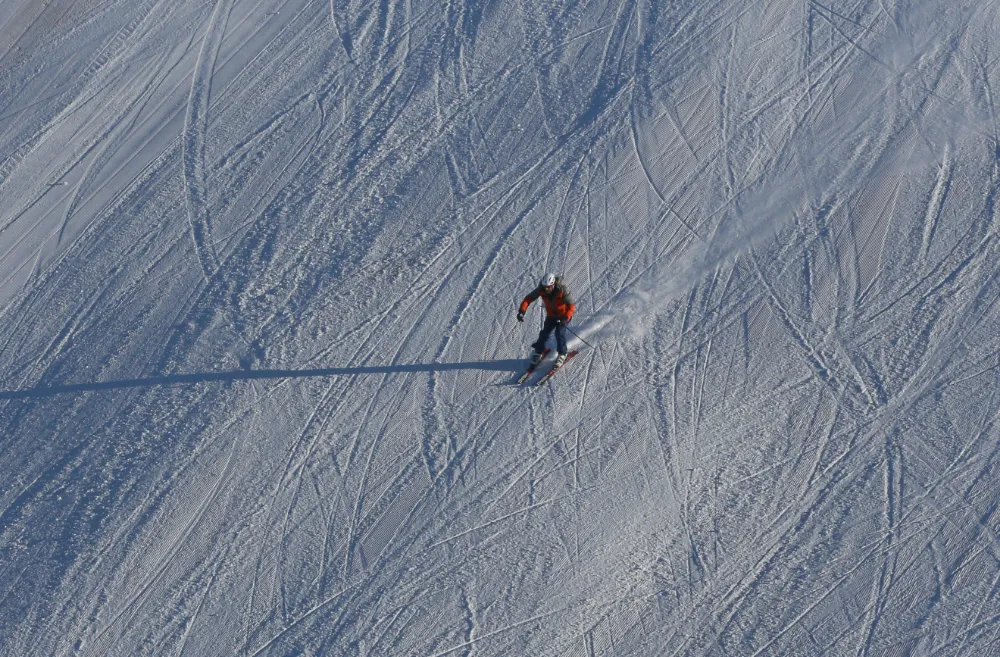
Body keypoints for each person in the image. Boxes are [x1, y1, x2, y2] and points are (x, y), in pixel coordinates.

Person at [517, 273, 576, 367]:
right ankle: (538, 352)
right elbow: (528, 298)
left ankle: (562, 354)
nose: (546, 289)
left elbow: (571, 305)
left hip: (563, 316)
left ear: (553, 284)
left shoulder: (562, 289)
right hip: (551, 316)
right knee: (544, 333)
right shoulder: (541, 289)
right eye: (545, 287)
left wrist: (566, 318)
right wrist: (522, 311)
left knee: (559, 333)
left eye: (548, 287)